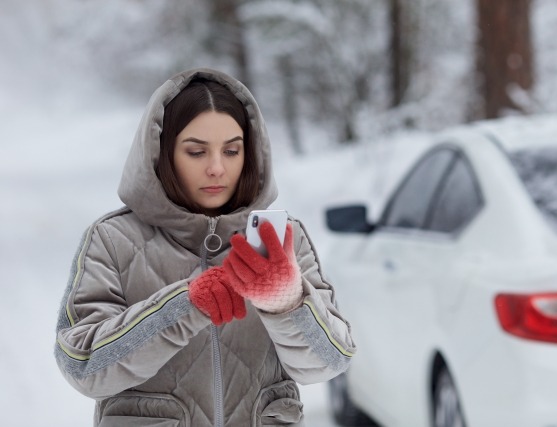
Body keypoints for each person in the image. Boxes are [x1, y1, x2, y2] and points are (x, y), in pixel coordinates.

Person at [54, 68, 356, 427]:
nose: (217, 168)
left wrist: (290, 306)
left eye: (231, 150)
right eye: (196, 152)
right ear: (162, 154)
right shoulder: (112, 240)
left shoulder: (282, 239)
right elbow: (83, 367)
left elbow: (330, 361)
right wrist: (183, 307)